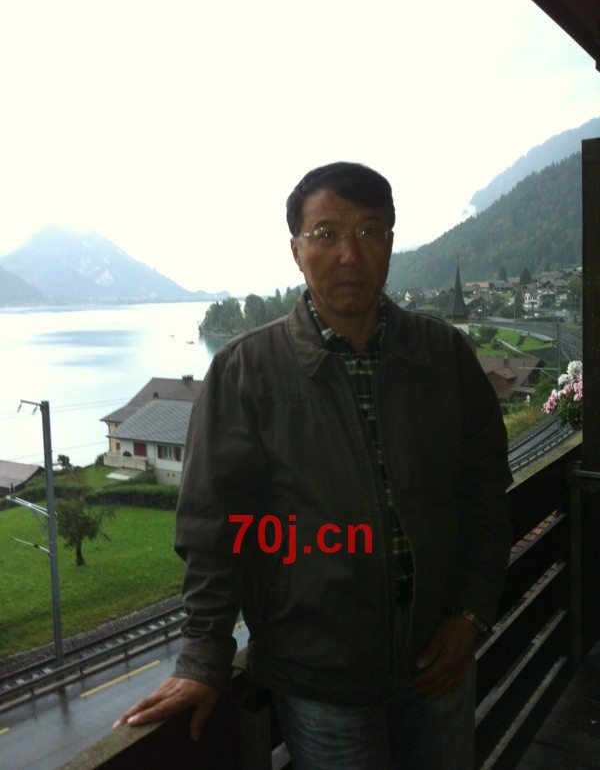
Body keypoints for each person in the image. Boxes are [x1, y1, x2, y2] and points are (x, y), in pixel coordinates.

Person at [114, 162, 513, 768]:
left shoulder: (444, 356)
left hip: (440, 656)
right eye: (326, 234)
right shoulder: (246, 370)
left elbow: (484, 492)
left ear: (390, 242)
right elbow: (214, 528)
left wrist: (471, 612)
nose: (349, 254)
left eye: (369, 231)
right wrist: (203, 659)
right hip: (319, 677)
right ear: (297, 251)